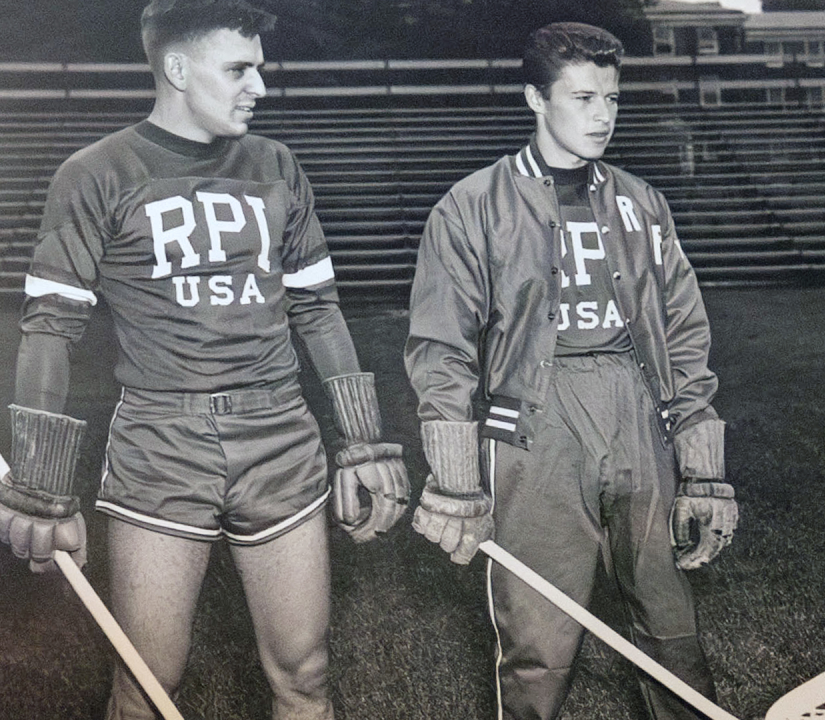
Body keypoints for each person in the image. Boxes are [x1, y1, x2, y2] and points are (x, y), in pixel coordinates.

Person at [0, 1, 409, 718]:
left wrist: (364, 443)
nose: (260, 86)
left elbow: (318, 309)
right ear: (178, 68)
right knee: (148, 685)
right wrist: (37, 485)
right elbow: (49, 329)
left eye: (259, 67)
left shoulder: (277, 165)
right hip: (162, 441)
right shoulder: (94, 173)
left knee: (305, 678)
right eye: (239, 69)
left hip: (281, 433)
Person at [403, 22, 738, 720]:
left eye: (612, 99)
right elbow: (442, 348)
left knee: (672, 628)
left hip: (638, 412)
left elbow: (683, 333)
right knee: (538, 644)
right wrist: (457, 480)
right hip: (535, 422)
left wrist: (702, 465)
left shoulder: (642, 203)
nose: (603, 116)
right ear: (534, 98)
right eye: (583, 98)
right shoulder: (471, 206)